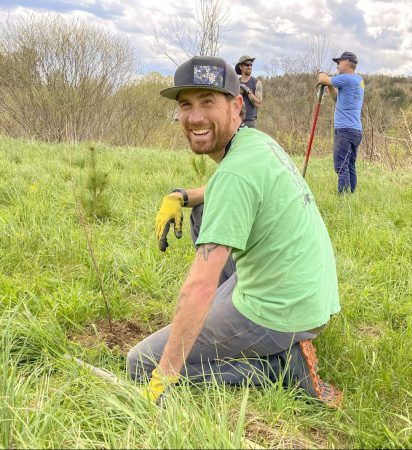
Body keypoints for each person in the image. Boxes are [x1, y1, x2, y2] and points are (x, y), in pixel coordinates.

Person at [127, 55, 342, 408]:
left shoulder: (235, 175)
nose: (195, 117)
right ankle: (257, 337)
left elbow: (199, 286)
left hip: (283, 310)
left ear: (237, 106)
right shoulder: (256, 144)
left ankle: (276, 368)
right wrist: (181, 196)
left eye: (208, 102)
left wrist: (164, 376)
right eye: (186, 105)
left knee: (140, 364)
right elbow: (218, 191)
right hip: (306, 291)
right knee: (201, 211)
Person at [318, 51, 365, 194]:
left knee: (341, 165)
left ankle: (343, 199)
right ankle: (351, 195)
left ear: (346, 62)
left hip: (344, 130)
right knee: (350, 164)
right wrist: (331, 87)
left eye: (338, 62)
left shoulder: (346, 78)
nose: (337, 66)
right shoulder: (359, 80)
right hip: (355, 131)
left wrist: (321, 72)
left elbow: (322, 79)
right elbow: (337, 99)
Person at [234, 55, 262, 128]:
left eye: (251, 65)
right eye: (247, 65)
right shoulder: (235, 83)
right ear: (240, 67)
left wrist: (247, 90)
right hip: (235, 121)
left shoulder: (257, 83)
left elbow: (258, 104)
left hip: (250, 123)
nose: (249, 66)